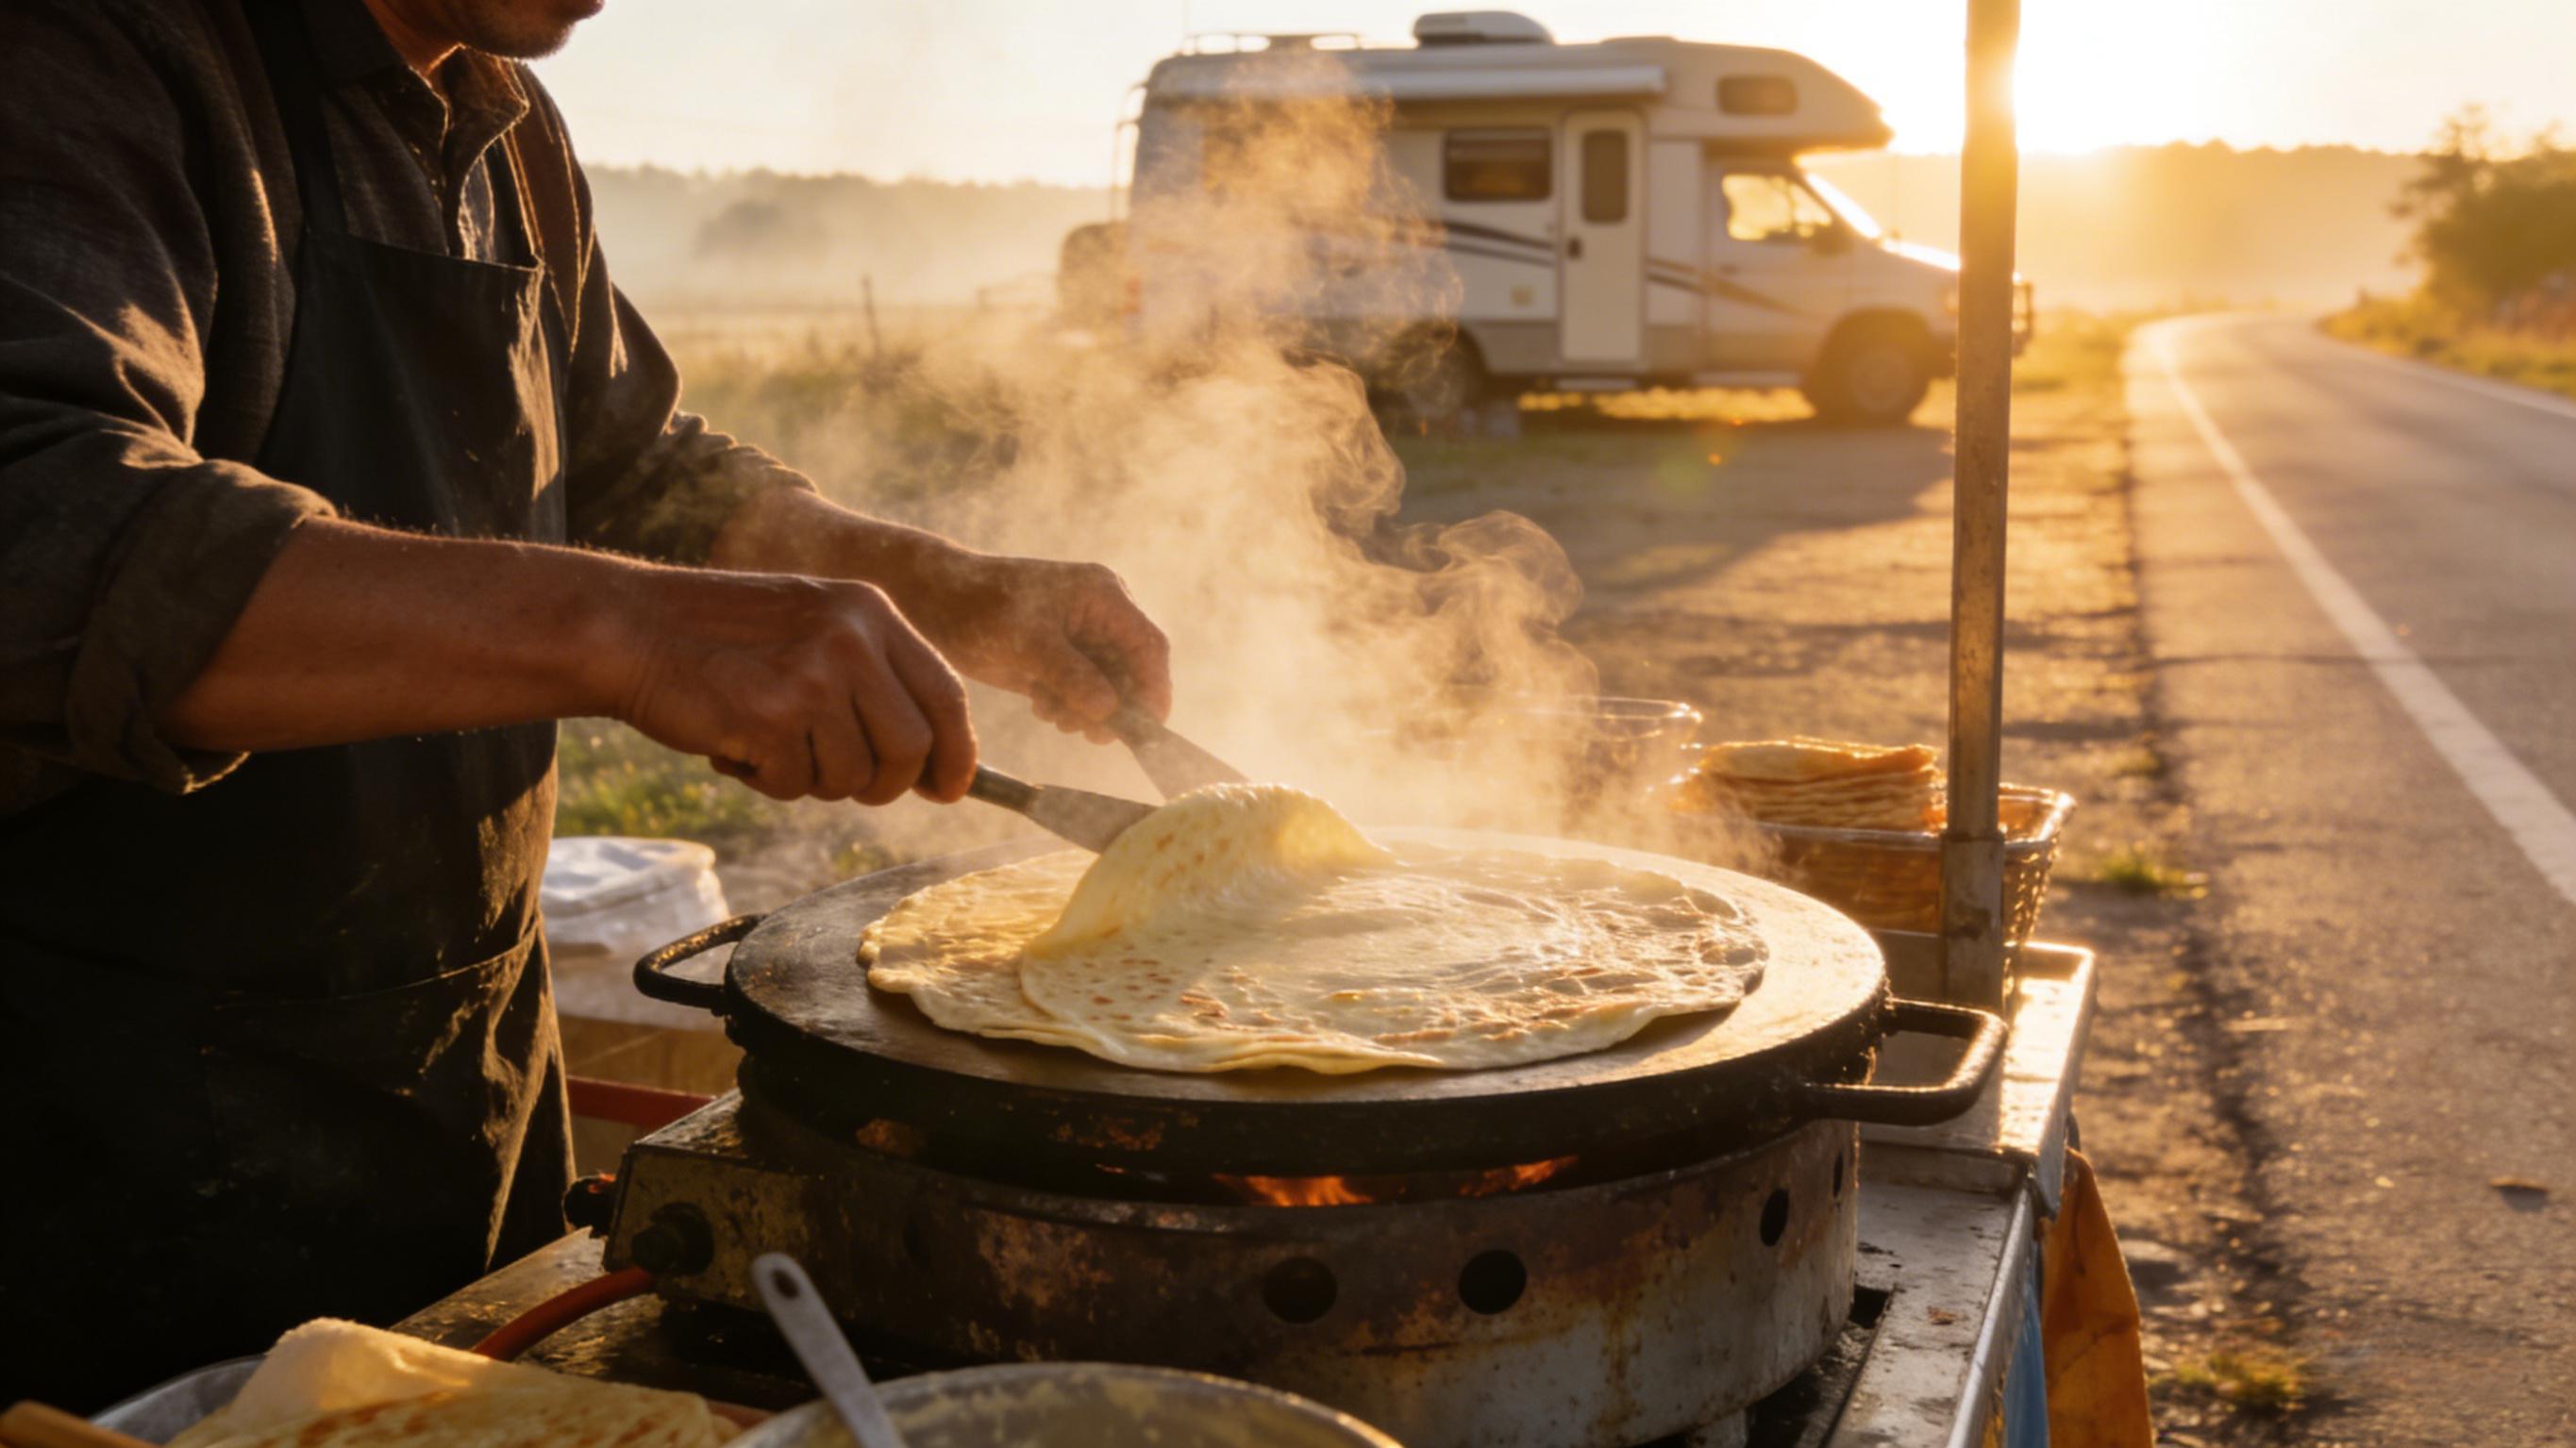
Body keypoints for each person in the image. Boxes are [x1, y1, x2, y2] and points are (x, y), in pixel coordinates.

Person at [0, 0, 1171, 1407]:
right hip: (99, 1154)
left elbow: (636, 474)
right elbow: (39, 521)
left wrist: (951, 584)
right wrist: (635, 632)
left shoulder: (502, 126)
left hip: (453, 1080)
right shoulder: (92, 52)